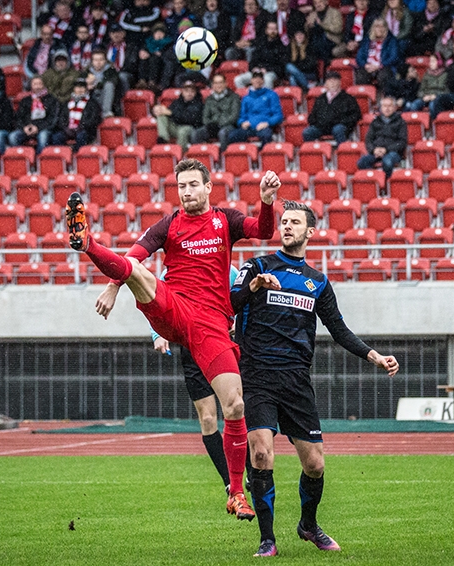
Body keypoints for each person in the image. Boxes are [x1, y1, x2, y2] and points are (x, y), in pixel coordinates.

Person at [66, 159, 279, 521]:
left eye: (193, 185)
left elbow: (263, 230)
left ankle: (235, 494)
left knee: (234, 406)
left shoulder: (225, 220)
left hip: (212, 324)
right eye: (181, 186)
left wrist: (267, 201)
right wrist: (113, 287)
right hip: (174, 307)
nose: (186, 192)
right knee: (137, 270)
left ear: (208, 187)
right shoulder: (168, 225)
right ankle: (87, 242)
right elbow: (134, 256)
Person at [230, 200, 399, 557]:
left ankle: (308, 525)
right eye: (284, 221)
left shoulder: (318, 282)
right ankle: (267, 540)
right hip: (257, 376)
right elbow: (230, 302)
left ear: (310, 231)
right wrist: (254, 287)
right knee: (260, 454)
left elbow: (338, 329)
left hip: (296, 380)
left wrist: (374, 356)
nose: (287, 226)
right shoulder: (257, 266)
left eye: (295, 222)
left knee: (315, 464)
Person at [148, 264, 241, 495]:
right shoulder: (171, 272)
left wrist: (238, 324)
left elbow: (244, 299)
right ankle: (229, 483)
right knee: (207, 418)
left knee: (235, 408)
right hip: (191, 346)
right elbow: (153, 298)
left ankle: (250, 472)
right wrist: (157, 334)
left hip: (220, 343)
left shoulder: (227, 268)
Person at [226, 70, 284, 146]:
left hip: (264, 126)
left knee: (266, 135)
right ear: (251, 80)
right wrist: (242, 122)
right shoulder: (246, 98)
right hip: (249, 127)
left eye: (260, 78)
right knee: (232, 135)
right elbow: (242, 116)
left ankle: (263, 153)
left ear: (263, 80)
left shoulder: (272, 95)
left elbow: (278, 115)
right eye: (255, 78)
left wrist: (267, 123)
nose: (257, 80)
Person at [303, 71, 361, 143]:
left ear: (340, 82)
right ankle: (314, 150)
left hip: (339, 126)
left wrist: (343, 122)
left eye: (335, 80)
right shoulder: (320, 99)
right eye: (330, 81)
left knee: (338, 129)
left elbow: (356, 115)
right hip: (322, 127)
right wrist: (318, 123)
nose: (333, 83)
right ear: (325, 84)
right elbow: (312, 115)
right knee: (307, 132)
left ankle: (342, 149)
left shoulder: (348, 98)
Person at [8, 76, 61, 153]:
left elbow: (52, 120)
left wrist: (38, 128)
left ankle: (39, 158)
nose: (37, 86)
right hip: (27, 128)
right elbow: (18, 118)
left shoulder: (52, 100)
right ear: (31, 86)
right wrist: (24, 127)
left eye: (40, 84)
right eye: (35, 84)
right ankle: (24, 156)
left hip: (43, 129)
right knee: (13, 136)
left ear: (44, 85)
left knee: (43, 136)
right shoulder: (25, 100)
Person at [358, 95, 406, 177]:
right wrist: (374, 150)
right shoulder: (375, 122)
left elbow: (402, 142)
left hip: (393, 152)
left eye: (389, 106)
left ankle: (385, 183)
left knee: (387, 162)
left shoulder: (401, 122)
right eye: (384, 106)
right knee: (362, 162)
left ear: (395, 108)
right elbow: (368, 140)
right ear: (381, 108)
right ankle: (374, 179)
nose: (387, 108)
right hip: (376, 151)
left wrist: (386, 150)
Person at [190, 73, 241, 149]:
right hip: (212, 126)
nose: (218, 85)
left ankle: (223, 155)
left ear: (225, 84)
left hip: (228, 126)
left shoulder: (234, 97)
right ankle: (198, 155)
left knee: (223, 133)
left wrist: (220, 124)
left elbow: (234, 116)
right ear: (212, 85)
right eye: (216, 83)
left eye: (221, 82)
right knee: (196, 133)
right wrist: (211, 124)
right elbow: (205, 118)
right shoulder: (209, 99)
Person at [235, 20, 288, 89]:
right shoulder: (260, 44)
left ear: (278, 31)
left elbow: (281, 67)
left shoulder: (281, 46)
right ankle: (248, 96)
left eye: (275, 29)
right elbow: (253, 60)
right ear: (266, 30)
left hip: (270, 73)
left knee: (267, 79)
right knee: (238, 79)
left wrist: (267, 69)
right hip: (257, 72)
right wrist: (254, 68)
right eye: (270, 29)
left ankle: (266, 96)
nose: (273, 31)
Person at [153, 79, 204, 150]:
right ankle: (163, 140)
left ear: (195, 92)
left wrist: (171, 113)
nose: (189, 93)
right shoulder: (177, 102)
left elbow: (190, 119)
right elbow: (168, 112)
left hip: (191, 128)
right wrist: (158, 110)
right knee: (162, 116)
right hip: (176, 126)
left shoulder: (198, 104)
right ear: (182, 91)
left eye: (192, 91)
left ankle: (179, 152)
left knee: (182, 131)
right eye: (187, 91)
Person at [55, 77, 103, 149]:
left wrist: (81, 126)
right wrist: (66, 128)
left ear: (86, 89)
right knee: (57, 137)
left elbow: (94, 119)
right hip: (68, 129)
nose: (80, 89)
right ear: (74, 89)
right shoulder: (67, 103)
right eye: (77, 87)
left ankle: (78, 153)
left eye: (82, 87)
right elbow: (62, 117)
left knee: (81, 136)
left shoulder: (92, 103)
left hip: (85, 130)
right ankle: (63, 153)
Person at [86, 49, 121, 119]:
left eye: (101, 60)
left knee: (109, 85)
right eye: (96, 60)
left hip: (105, 96)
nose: (98, 62)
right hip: (91, 97)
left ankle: (106, 113)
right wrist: (86, 84)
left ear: (105, 60)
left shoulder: (111, 70)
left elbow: (113, 81)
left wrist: (96, 85)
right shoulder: (87, 71)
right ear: (92, 61)